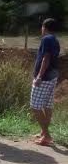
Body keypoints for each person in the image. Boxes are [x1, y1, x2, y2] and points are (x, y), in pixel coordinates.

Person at [31, 18, 60, 146]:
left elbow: (46, 58)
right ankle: (44, 132)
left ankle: (47, 136)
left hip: (45, 77)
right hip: (52, 76)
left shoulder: (46, 39)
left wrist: (39, 77)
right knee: (47, 105)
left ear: (44, 27)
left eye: (42, 27)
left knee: (35, 106)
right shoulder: (55, 39)